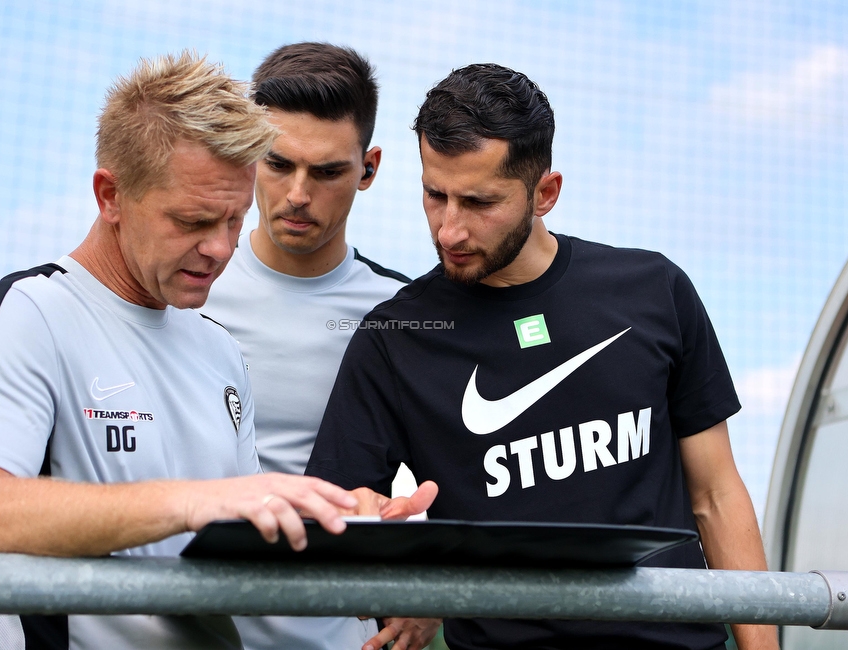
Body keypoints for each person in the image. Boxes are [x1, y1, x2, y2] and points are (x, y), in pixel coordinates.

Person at [0, 52, 429, 650]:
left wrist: (335, 522)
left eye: (234, 220)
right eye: (191, 221)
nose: (218, 249)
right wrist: (193, 501)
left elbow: (230, 547)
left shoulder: (217, 348)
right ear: (110, 195)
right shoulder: (26, 313)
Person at [307, 63, 778, 650]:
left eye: (479, 202)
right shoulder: (396, 336)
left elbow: (716, 494)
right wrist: (375, 540)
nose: (449, 229)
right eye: (435, 195)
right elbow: (335, 515)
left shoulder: (653, 289)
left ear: (545, 193)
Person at [203, 43, 439, 650]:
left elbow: (456, 475)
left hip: (343, 635)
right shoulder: (185, 288)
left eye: (328, 171)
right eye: (277, 164)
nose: (298, 194)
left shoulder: (405, 316)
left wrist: (430, 587)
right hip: (190, 625)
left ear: (369, 168)